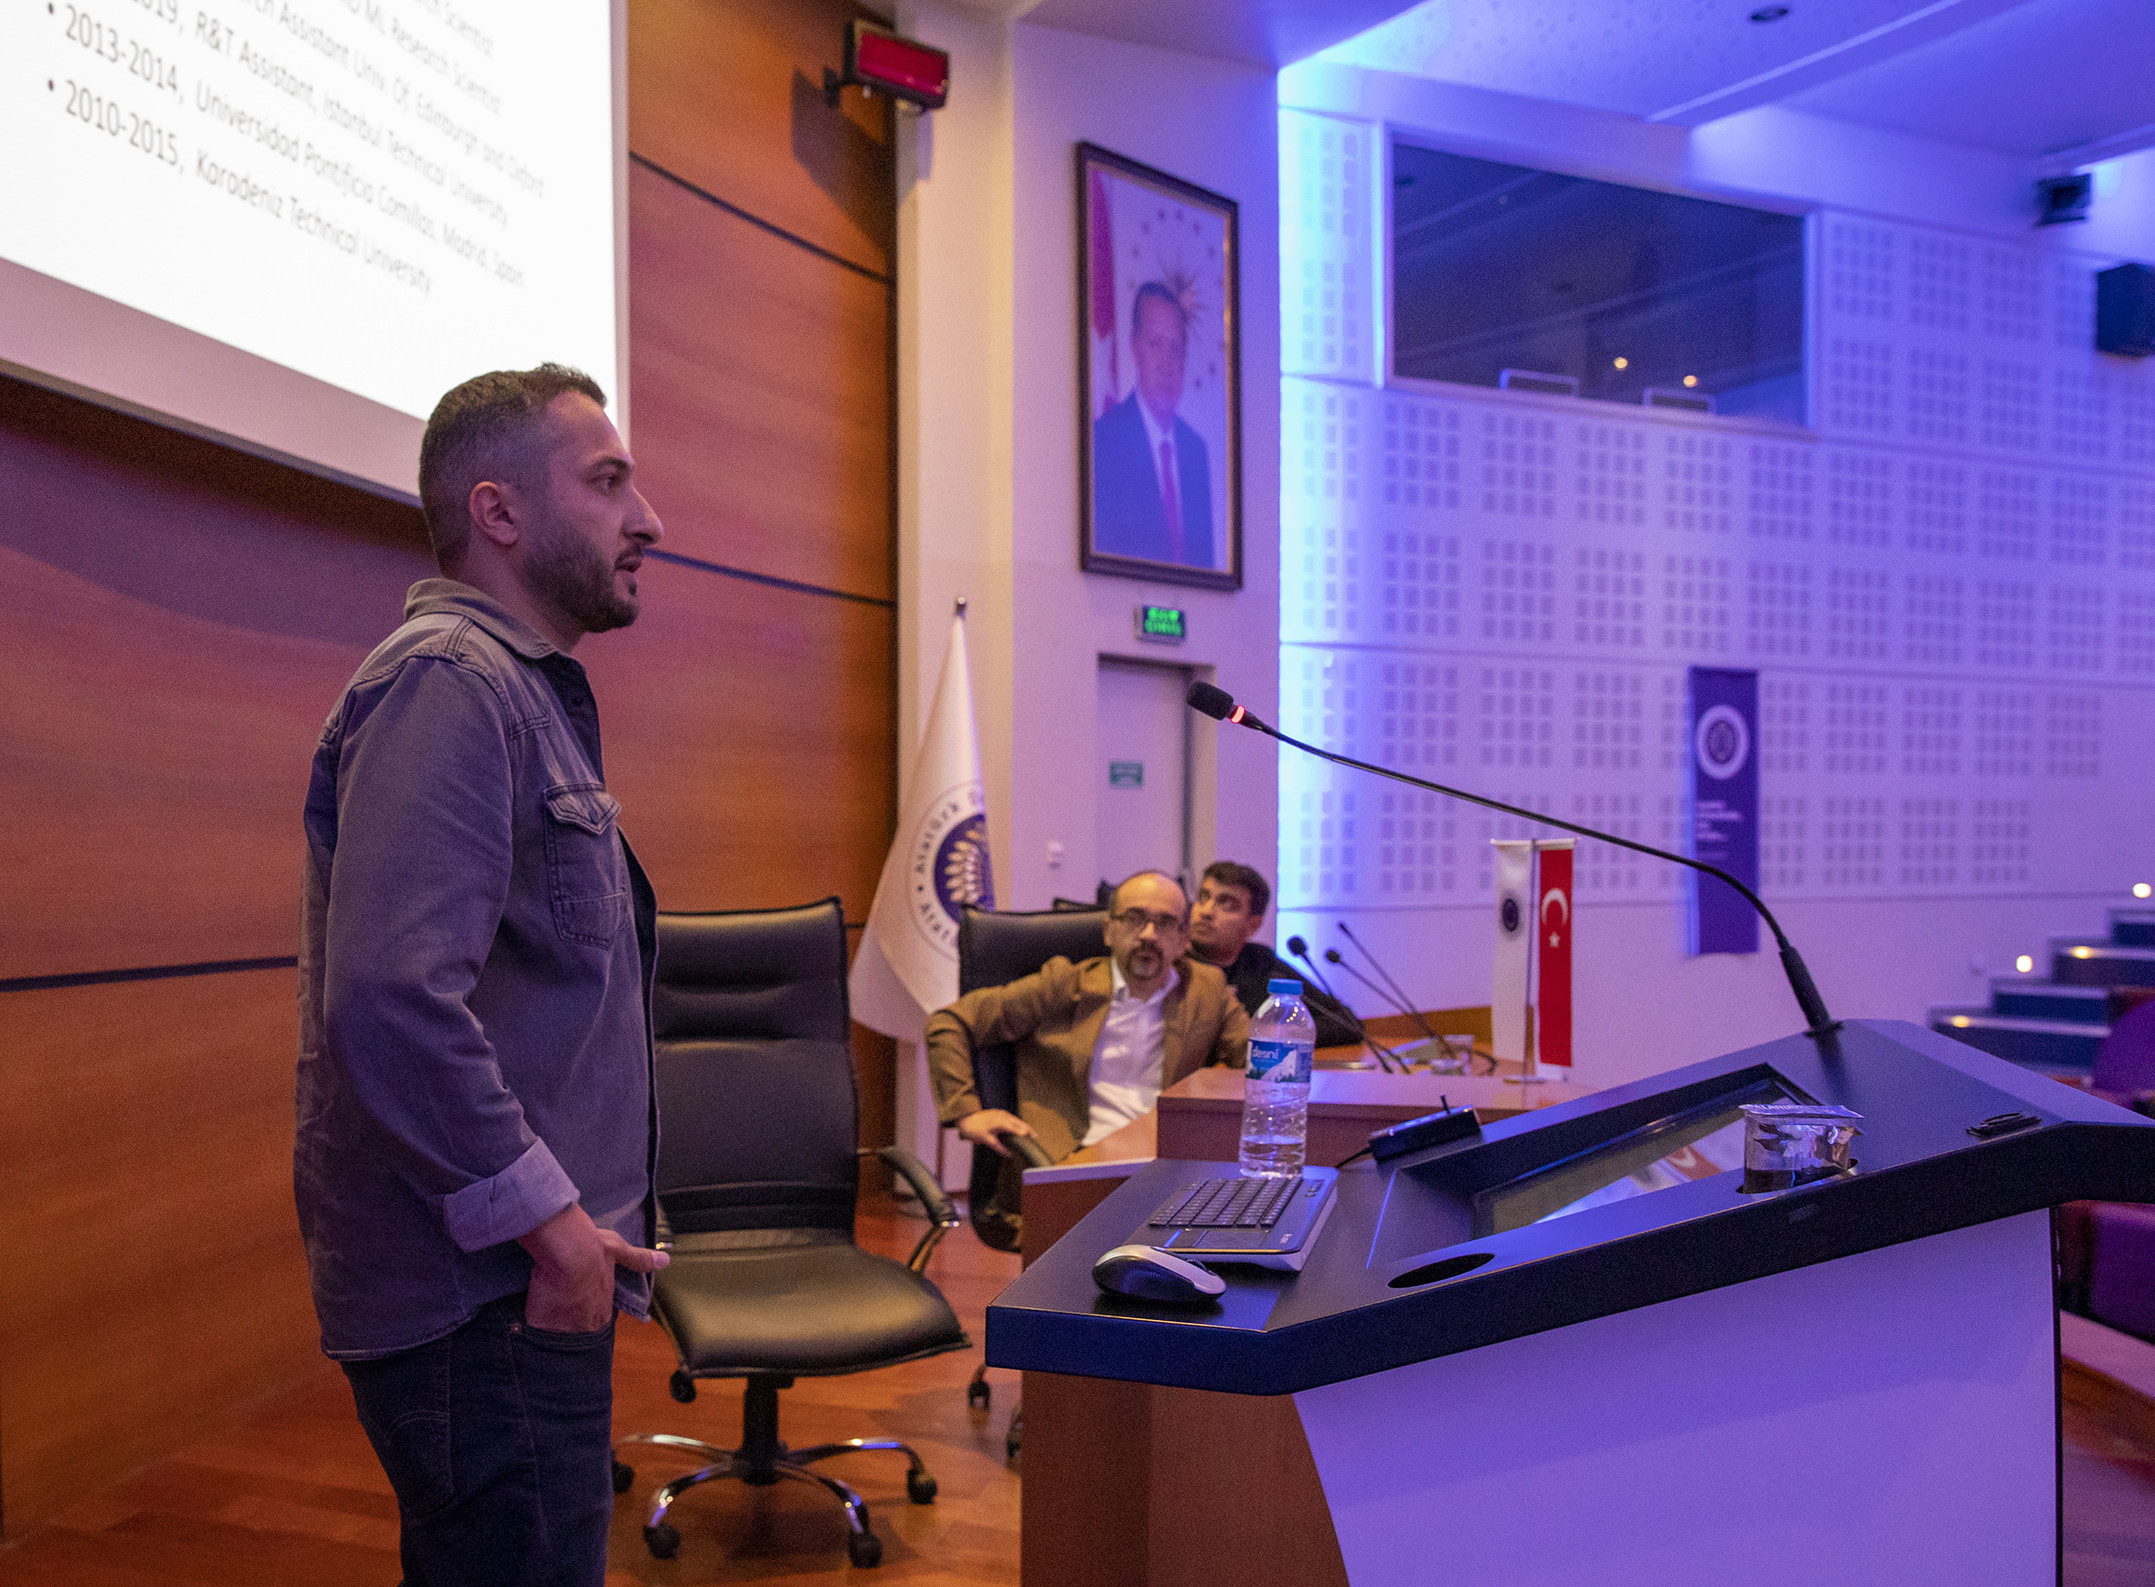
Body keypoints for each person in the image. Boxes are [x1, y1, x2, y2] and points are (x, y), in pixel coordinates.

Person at [295, 363, 669, 1587]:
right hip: (487, 1295)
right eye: (607, 483)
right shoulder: (450, 683)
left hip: (518, 1284)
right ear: (498, 512)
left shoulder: (510, 690)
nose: (648, 519)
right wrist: (555, 1234)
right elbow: (391, 1001)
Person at [925, 870, 1248, 1165]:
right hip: (1076, 1160)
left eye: (1164, 922)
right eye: (1134, 918)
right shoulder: (1064, 985)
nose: (1149, 935)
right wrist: (966, 1113)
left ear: (1182, 939)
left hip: (1165, 1160)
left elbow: (1256, 1058)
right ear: (1109, 931)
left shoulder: (1207, 990)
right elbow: (950, 1022)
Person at [1091, 280, 1214, 569]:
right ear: (1134, 348)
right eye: (1156, 344)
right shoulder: (1105, 442)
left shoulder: (1196, 452)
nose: (1167, 363)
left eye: (1176, 348)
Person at [1188, 861, 1363, 1049]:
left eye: (1227, 905)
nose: (1205, 911)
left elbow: (1346, 1024)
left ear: (1253, 925)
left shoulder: (1260, 962)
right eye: (1203, 898)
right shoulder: (1176, 965)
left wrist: (1278, 1035)